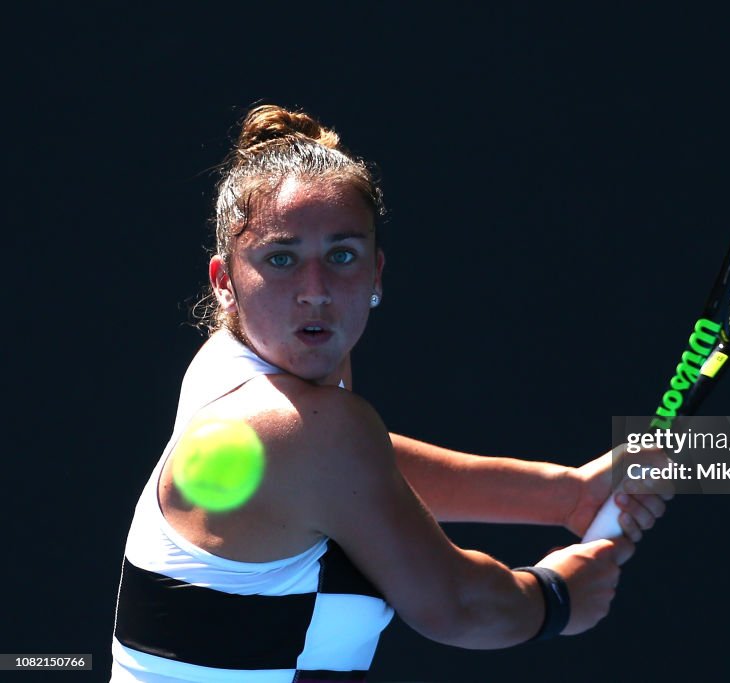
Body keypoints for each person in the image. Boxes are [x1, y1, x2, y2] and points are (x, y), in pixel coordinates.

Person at [110, 104, 671, 682]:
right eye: (281, 259)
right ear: (225, 282)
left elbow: (355, 470)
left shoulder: (234, 376)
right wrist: (558, 597)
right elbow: (460, 608)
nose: (316, 290)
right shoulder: (305, 427)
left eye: (342, 256)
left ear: (376, 274)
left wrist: (562, 495)